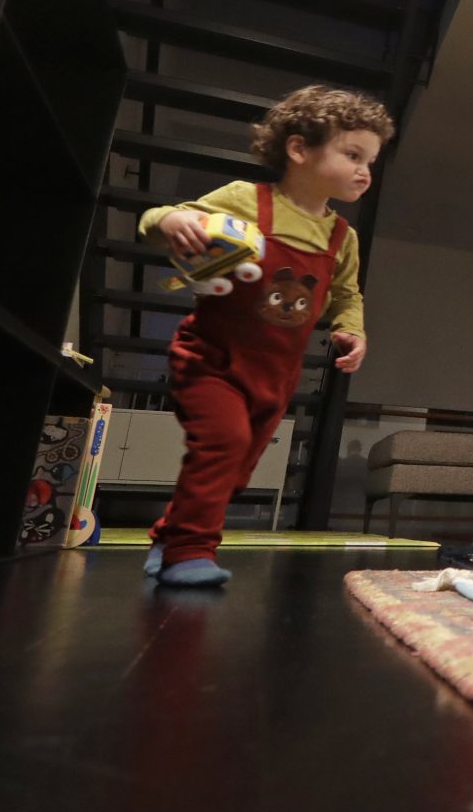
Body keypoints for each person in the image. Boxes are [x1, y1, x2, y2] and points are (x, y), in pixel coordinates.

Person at [140, 85, 393, 586]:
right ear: (299, 149)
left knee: (236, 469)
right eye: (352, 154)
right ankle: (189, 552)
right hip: (211, 359)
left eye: (371, 160)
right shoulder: (245, 200)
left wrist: (351, 331)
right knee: (223, 443)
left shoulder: (343, 238)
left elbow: (347, 296)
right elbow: (154, 223)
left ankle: (170, 535)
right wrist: (175, 218)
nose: (365, 170)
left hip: (276, 377)